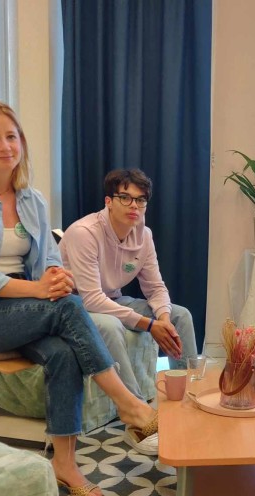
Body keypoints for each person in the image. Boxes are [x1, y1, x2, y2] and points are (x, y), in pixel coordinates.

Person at [0, 100, 159, 496]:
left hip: (17, 310)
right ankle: (129, 404)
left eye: (12, 136)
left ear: (22, 143)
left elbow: (47, 257)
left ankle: (64, 462)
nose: (5, 146)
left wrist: (55, 277)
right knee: (68, 307)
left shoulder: (32, 200)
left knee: (64, 350)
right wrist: (40, 291)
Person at [60, 168, 198, 456]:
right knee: (111, 326)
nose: (134, 205)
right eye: (125, 198)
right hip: (75, 305)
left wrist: (162, 318)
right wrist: (148, 324)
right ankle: (137, 415)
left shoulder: (144, 235)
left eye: (141, 199)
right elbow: (91, 299)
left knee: (180, 316)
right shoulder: (84, 233)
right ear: (109, 201)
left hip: (113, 300)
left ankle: (188, 401)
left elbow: (156, 287)